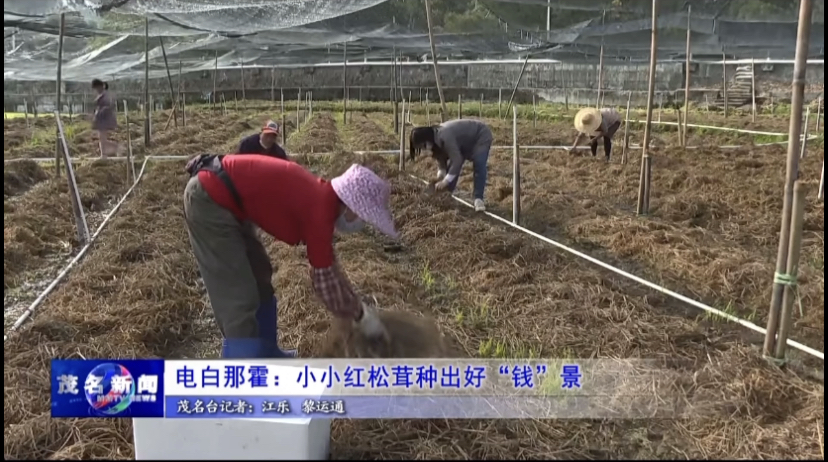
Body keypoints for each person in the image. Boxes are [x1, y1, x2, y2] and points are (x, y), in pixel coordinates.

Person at [183, 154, 397, 359]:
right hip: (209, 199)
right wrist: (359, 317)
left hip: (230, 201)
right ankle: (241, 377)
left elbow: (330, 267)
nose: (362, 223)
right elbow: (324, 283)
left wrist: (357, 307)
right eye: (364, 216)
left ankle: (268, 353)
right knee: (239, 296)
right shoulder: (320, 210)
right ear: (352, 206)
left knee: (261, 276)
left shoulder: (323, 200)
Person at [409, 119, 493, 212]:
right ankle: (447, 195)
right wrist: (441, 175)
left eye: (423, 146)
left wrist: (445, 181)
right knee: (451, 170)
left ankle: (478, 199)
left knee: (479, 163)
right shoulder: (435, 142)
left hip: (479, 135)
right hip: (463, 143)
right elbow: (441, 159)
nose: (424, 149)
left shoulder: (444, 136)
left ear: (427, 139)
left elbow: (456, 160)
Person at [91, 79, 118, 158]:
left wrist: (99, 112)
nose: (96, 90)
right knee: (101, 138)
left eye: (96, 88)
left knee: (102, 138)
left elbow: (108, 107)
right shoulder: (102, 95)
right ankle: (104, 154)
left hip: (105, 119)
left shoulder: (106, 95)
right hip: (102, 118)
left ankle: (116, 148)